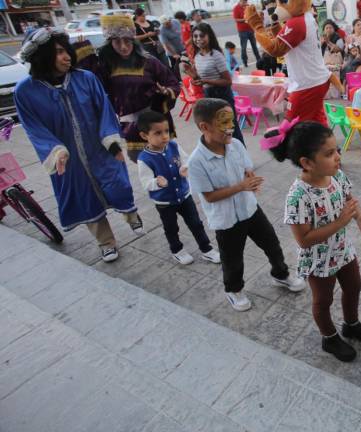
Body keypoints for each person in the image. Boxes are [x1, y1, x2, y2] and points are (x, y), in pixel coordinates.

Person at [17, 27, 143, 263]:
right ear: (41, 56)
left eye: (67, 51)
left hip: (100, 148)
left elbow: (105, 111)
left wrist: (112, 142)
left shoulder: (85, 78)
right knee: (84, 198)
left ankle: (131, 216)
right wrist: (55, 152)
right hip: (67, 160)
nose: (67, 57)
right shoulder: (25, 92)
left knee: (118, 186)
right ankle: (106, 242)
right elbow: (33, 127)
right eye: (59, 52)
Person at [261, 120, 361, 361]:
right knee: (323, 299)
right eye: (329, 153)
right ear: (307, 163)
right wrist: (340, 222)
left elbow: (348, 198)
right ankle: (329, 337)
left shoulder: (337, 176)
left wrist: (359, 217)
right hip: (318, 259)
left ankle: (351, 324)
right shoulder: (297, 197)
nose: (337, 157)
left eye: (337, 150)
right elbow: (304, 240)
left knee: (354, 285)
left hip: (343, 249)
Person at [187, 98, 305, 312]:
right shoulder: (196, 162)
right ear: (204, 127)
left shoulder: (236, 145)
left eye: (232, 121)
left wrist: (250, 178)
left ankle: (281, 274)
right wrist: (242, 186)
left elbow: (246, 168)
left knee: (272, 244)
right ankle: (233, 290)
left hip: (250, 209)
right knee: (232, 259)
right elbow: (210, 197)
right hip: (226, 220)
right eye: (224, 123)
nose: (231, 128)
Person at [74, 14, 180, 163]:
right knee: (145, 167)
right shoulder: (105, 66)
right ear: (110, 43)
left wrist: (165, 92)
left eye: (127, 41)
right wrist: (85, 55)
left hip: (156, 122)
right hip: (131, 127)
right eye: (117, 42)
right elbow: (92, 83)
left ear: (133, 41)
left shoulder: (149, 61)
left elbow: (172, 82)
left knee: (169, 163)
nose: (123, 47)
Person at [136, 110, 221, 266]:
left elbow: (187, 159)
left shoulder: (173, 145)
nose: (164, 136)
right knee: (171, 228)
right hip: (164, 202)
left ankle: (206, 248)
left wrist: (185, 167)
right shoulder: (144, 159)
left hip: (184, 195)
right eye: (158, 133)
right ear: (144, 136)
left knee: (196, 223)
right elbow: (145, 182)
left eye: (167, 131)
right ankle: (177, 250)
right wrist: (156, 182)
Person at [186, 23, 244, 145]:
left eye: (202, 36)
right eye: (195, 36)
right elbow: (201, 78)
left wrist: (207, 81)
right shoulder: (197, 56)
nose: (198, 39)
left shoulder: (216, 55)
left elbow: (228, 81)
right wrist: (193, 78)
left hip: (222, 94)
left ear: (209, 36)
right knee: (217, 129)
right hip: (208, 94)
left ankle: (242, 158)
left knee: (230, 128)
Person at [233, 0, 261, 67]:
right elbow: (236, 19)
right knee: (244, 48)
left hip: (250, 30)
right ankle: (245, 62)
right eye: (243, 2)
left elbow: (253, 15)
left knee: (254, 46)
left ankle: (259, 60)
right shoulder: (236, 8)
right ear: (240, 1)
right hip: (242, 31)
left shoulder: (248, 6)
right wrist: (245, 19)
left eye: (246, 2)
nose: (245, 4)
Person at [159, 16, 185, 80]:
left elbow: (182, 31)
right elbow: (167, 44)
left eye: (169, 22)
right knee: (175, 66)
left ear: (170, 20)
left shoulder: (175, 22)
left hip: (182, 46)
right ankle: (177, 80)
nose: (168, 24)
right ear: (162, 24)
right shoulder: (161, 31)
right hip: (172, 50)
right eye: (166, 24)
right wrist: (174, 54)